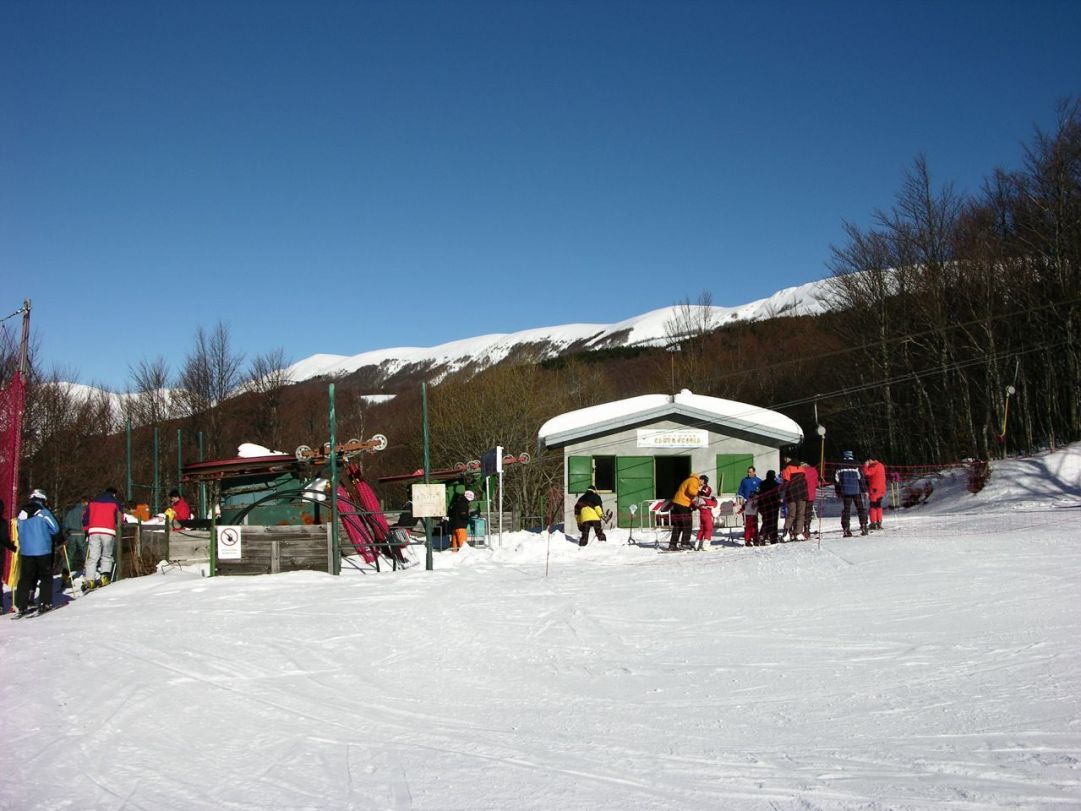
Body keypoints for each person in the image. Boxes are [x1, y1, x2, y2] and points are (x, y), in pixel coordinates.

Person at [13, 489, 61, 616]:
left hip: (26, 551)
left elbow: (18, 529)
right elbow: (55, 529)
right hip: (43, 549)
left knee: (26, 578)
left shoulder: (21, 514)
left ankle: (21, 604)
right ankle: (45, 602)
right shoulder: (43, 512)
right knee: (45, 576)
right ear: (42, 500)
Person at [83, 486, 124, 590]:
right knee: (106, 555)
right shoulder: (115, 502)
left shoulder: (93, 502)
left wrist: (87, 530)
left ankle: (90, 580)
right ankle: (104, 577)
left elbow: (85, 517)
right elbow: (120, 518)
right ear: (114, 494)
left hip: (94, 531)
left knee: (93, 556)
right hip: (108, 531)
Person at [835, 451, 869, 537]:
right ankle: (864, 526)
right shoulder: (857, 464)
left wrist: (838, 492)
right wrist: (864, 490)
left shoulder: (839, 465)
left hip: (845, 491)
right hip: (856, 491)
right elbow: (861, 478)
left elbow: (836, 480)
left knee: (846, 510)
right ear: (851, 456)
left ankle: (846, 529)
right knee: (861, 509)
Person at [668, 472, 700, 550]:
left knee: (678, 525)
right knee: (687, 524)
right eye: (703, 482)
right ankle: (685, 543)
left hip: (677, 503)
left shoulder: (688, 480)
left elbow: (686, 494)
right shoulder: (694, 480)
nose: (702, 485)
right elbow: (691, 491)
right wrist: (700, 492)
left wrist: (692, 505)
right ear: (700, 479)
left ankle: (672, 544)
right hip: (683, 504)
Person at [61, 495, 89, 583]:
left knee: (69, 556)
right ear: (85, 502)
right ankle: (89, 573)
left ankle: (65, 575)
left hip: (72, 535)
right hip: (82, 534)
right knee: (85, 554)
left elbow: (65, 525)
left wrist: (66, 536)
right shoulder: (86, 511)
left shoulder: (71, 512)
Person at [782, 463, 808, 540]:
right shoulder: (802, 469)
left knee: (791, 514)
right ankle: (798, 532)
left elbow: (785, 481)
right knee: (801, 514)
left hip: (791, 495)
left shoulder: (788, 468)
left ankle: (786, 532)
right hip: (802, 494)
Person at [756, 470, 782, 544]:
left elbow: (760, 493)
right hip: (774, 505)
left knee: (766, 520)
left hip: (764, 505)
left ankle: (763, 536)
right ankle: (773, 538)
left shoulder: (762, 483)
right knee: (774, 522)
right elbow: (778, 495)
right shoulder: (776, 484)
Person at [863, 457, 887, 530]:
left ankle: (873, 522)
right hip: (882, 489)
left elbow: (867, 473)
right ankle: (879, 522)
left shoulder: (874, 466)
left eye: (869, 460)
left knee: (873, 506)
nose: (868, 461)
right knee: (878, 505)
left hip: (874, 489)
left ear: (871, 460)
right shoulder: (881, 465)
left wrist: (865, 466)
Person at [694, 475, 717, 549]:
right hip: (707, 514)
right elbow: (714, 504)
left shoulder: (699, 497)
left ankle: (697, 543)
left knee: (702, 529)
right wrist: (714, 500)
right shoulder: (706, 498)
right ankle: (706, 544)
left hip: (701, 515)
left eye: (700, 479)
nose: (699, 481)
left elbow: (696, 503)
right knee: (708, 528)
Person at [447, 486, 471, 552]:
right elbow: (463, 515)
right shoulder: (463, 504)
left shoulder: (455, 504)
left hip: (454, 527)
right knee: (463, 546)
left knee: (454, 546)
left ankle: (454, 557)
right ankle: (463, 559)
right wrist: (470, 515)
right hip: (461, 527)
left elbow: (450, 514)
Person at [801, 461, 819, 538]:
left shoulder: (801, 470)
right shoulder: (814, 470)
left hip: (801, 494)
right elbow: (816, 483)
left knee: (801, 512)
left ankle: (799, 529)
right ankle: (807, 528)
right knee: (808, 512)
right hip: (811, 494)